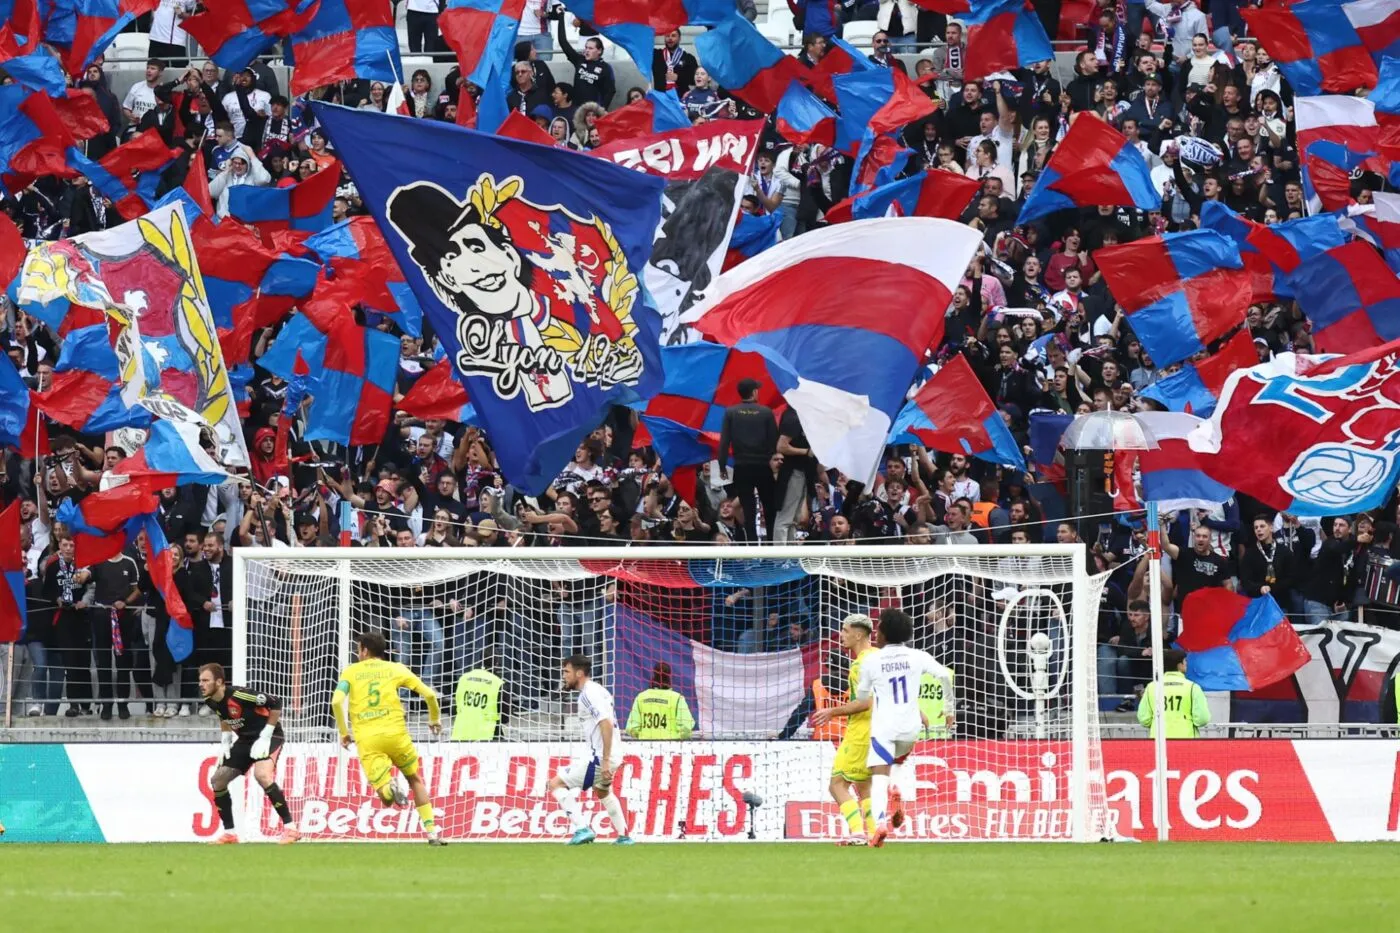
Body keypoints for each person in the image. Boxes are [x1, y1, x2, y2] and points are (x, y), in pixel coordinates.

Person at [332, 631, 446, 845]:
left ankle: (389, 786)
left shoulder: (351, 672)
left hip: (369, 738)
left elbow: (337, 702)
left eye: (359, 650)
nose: (358, 654)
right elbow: (430, 694)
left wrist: (344, 732)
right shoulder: (396, 668)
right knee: (415, 779)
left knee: (385, 798)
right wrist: (434, 719)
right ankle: (432, 833)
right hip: (396, 734)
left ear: (364, 650)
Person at [855, 608, 954, 847]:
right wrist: (949, 708)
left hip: (884, 727)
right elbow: (945, 676)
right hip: (910, 728)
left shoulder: (871, 660)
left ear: (884, 634)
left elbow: (861, 697)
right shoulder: (917, 656)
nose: (875, 632)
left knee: (878, 775)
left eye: (878, 628)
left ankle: (879, 823)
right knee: (899, 760)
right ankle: (897, 789)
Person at [199, 662, 299, 844]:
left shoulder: (240, 695)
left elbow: (275, 702)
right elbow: (223, 715)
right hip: (245, 740)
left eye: (206, 680)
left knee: (261, 775)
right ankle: (230, 833)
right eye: (200, 681)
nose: (201, 684)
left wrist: (267, 734)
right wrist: (226, 739)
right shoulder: (210, 700)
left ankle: (291, 829)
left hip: (269, 737)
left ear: (219, 682)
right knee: (218, 780)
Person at [546, 654, 634, 845]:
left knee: (555, 784)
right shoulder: (599, 690)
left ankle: (582, 829)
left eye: (567, 672)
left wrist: (604, 760)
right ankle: (624, 836)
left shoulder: (588, 694)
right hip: (613, 754)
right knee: (602, 792)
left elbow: (606, 724)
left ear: (579, 673)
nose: (564, 676)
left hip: (600, 757)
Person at [810, 614, 879, 846]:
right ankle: (873, 833)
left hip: (861, 730)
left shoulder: (861, 664)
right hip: (879, 730)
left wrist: (831, 712)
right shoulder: (880, 657)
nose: (841, 636)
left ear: (859, 634)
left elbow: (865, 702)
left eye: (845, 630)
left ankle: (858, 832)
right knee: (864, 785)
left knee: (837, 784)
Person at [717, 377, 778, 542]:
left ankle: (752, 548)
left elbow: (724, 442)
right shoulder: (766, 412)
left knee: (748, 510)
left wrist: (722, 466)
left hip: (742, 466)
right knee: (769, 508)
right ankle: (772, 546)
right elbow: (774, 441)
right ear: (754, 392)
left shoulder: (730, 412)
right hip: (763, 466)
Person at [1136, 648, 1209, 738]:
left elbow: (1144, 719)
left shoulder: (1152, 687)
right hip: (1186, 741)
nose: (1187, 663)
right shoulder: (1193, 688)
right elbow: (1203, 718)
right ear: (1179, 665)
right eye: (1185, 661)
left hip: (1159, 742)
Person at [624, 662, 695, 739]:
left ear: (654, 674)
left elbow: (631, 728)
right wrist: (675, 739)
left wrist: (643, 737)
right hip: (670, 748)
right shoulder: (677, 698)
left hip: (645, 747)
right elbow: (686, 728)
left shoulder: (641, 697)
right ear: (669, 676)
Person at [451, 665, 503, 740]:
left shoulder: (463, 678)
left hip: (460, 734)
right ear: (496, 664)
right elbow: (505, 718)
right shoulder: (497, 683)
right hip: (487, 737)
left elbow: (454, 708)